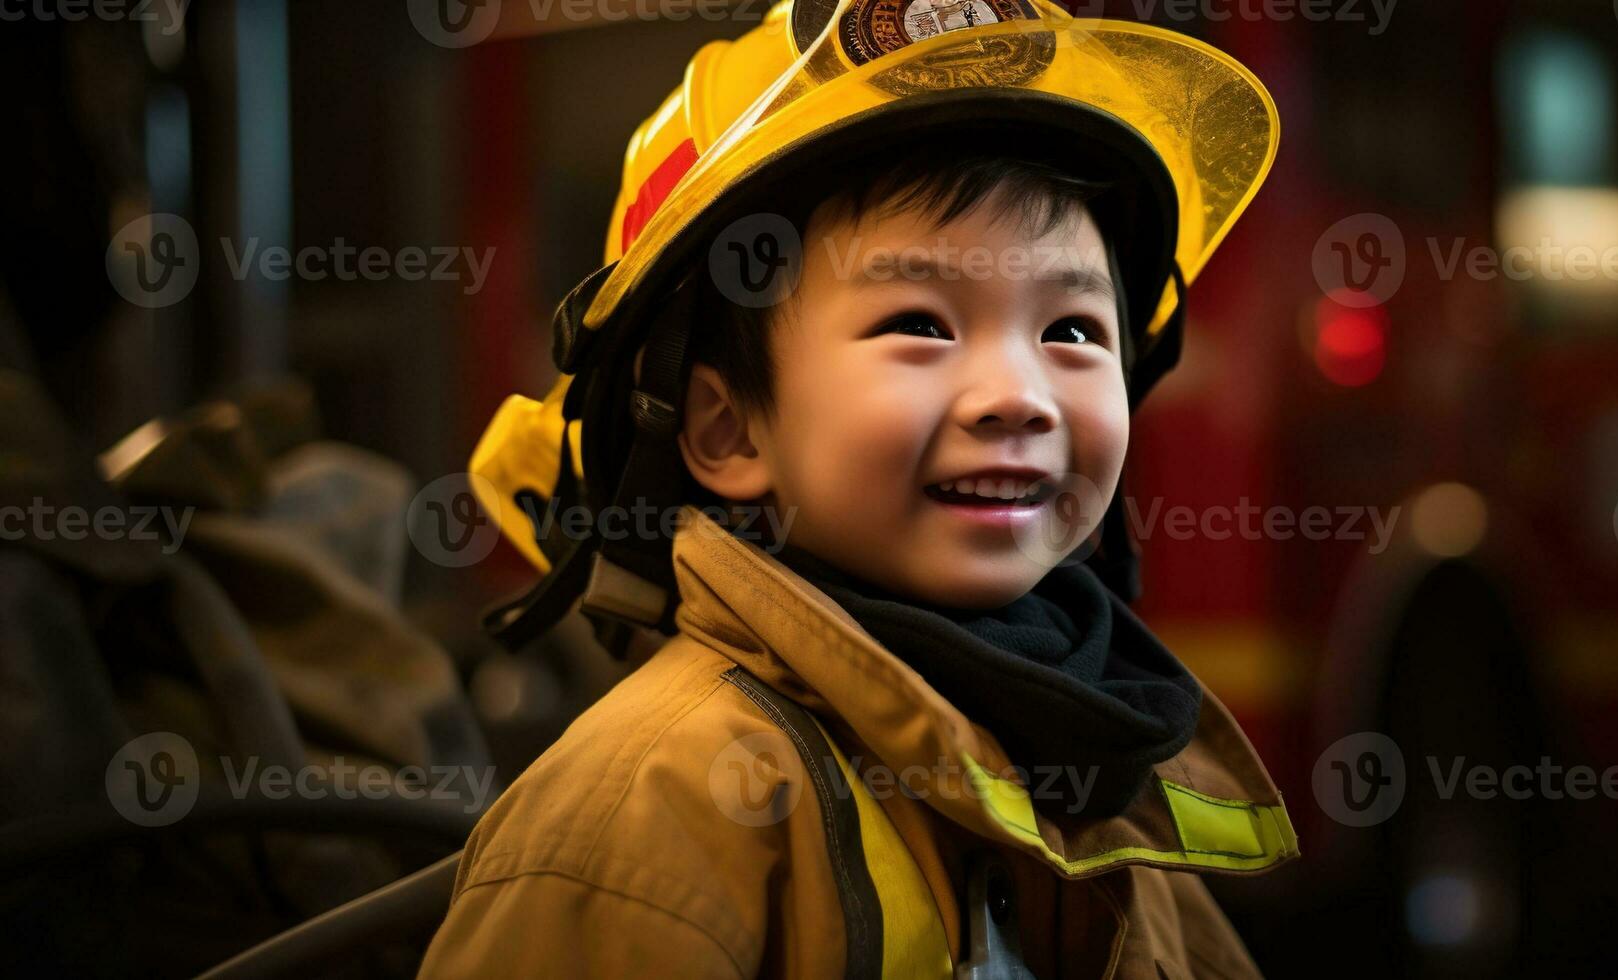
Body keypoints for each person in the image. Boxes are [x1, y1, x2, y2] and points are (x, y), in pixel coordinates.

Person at [421, 1, 1293, 976]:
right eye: (919, 322)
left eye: (1073, 332)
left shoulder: (1094, 769)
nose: (1018, 397)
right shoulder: (650, 812)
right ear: (725, 428)